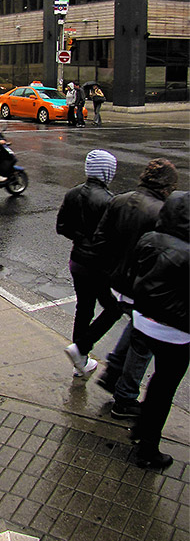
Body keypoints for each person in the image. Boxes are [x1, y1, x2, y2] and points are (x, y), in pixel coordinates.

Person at [91, 158, 179, 419]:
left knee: (136, 327)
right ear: (166, 186)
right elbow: (160, 252)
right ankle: (125, 397)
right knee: (143, 339)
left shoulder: (119, 199)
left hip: (118, 279)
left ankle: (114, 372)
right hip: (141, 284)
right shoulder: (161, 211)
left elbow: (100, 239)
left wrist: (109, 270)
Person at [129, 191, 189, 469]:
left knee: (158, 382)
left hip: (142, 322)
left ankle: (141, 428)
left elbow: (133, 273)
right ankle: (147, 449)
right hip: (175, 333)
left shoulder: (149, 239)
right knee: (164, 387)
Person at [57, 150, 122, 378]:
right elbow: (114, 238)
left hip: (77, 261)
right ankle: (81, 348)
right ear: (106, 172)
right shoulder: (109, 201)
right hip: (98, 265)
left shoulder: (73, 193)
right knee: (113, 309)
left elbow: (61, 226)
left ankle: (80, 362)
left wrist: (81, 237)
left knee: (84, 309)